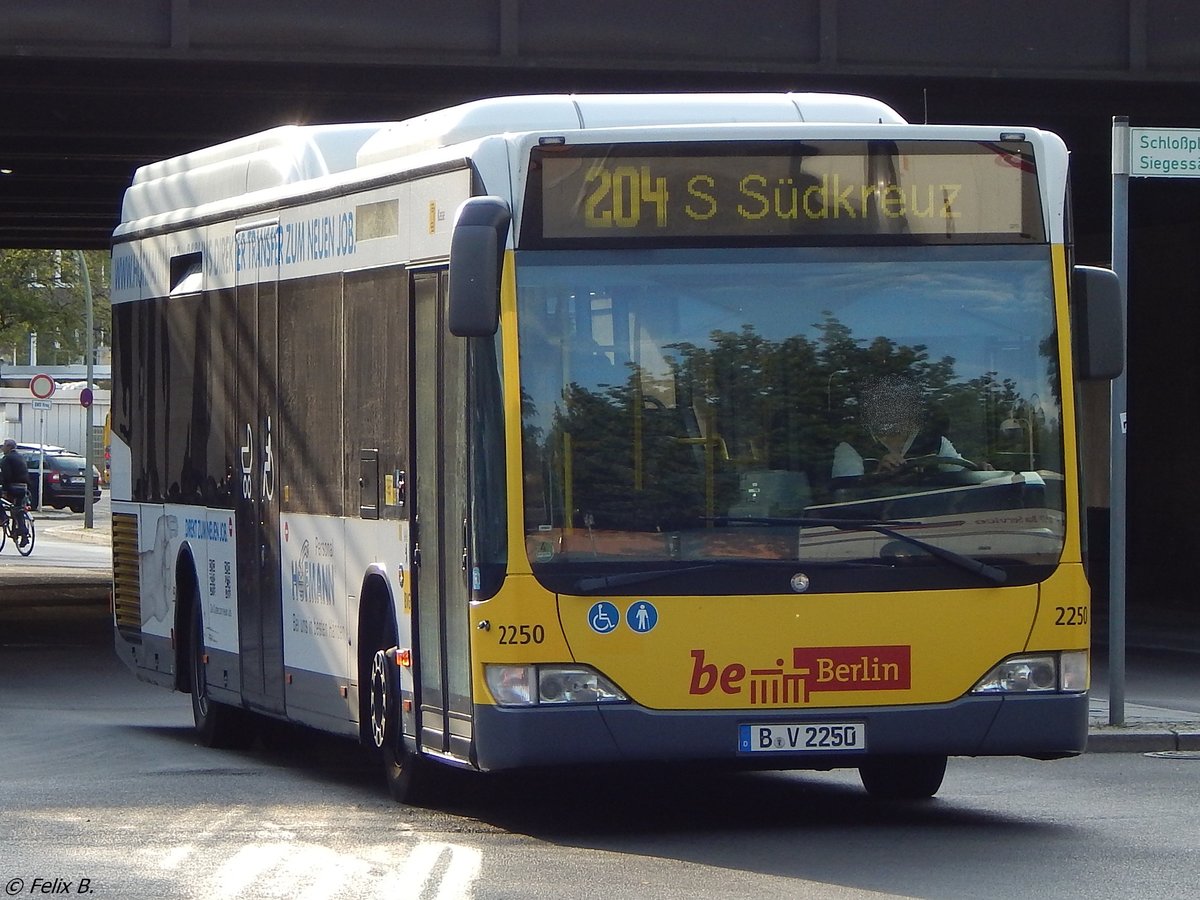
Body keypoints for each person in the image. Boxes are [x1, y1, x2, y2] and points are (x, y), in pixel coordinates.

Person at [831, 374, 969, 478]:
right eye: (882, 404)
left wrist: (980, 471)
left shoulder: (935, 443)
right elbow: (845, 497)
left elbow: (961, 474)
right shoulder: (851, 448)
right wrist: (878, 475)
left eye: (899, 404)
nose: (891, 411)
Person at [1, 438, 32, 542]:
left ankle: (3, 517)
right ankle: (23, 533)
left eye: (4, 446)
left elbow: (6, 476)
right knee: (18, 509)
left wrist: (4, 491)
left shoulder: (6, 458)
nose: (2, 448)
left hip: (12, 487)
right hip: (23, 488)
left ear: (9, 447)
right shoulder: (21, 457)